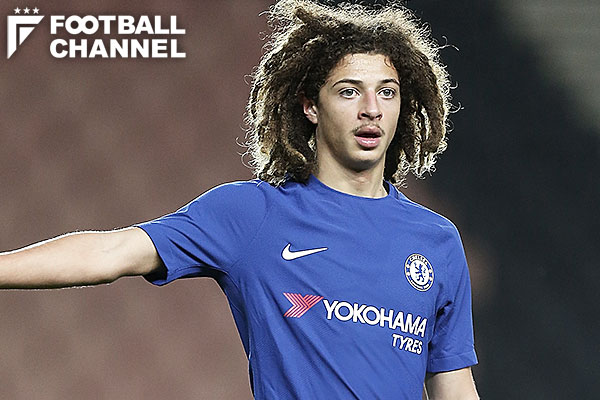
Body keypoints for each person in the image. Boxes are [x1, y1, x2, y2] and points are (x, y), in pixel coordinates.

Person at [0, 0, 479, 398]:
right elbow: (112, 251)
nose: (371, 109)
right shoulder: (253, 215)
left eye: (387, 93)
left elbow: (454, 386)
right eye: (349, 92)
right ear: (310, 105)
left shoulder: (436, 240)